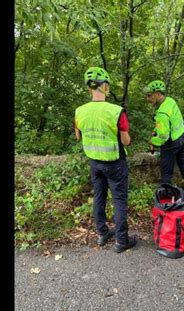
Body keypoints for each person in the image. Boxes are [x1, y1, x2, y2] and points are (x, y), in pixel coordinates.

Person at [74, 66, 137, 253]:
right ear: (106, 87)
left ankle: (102, 234)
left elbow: (78, 137)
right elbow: (126, 141)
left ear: (89, 89)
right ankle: (121, 241)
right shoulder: (116, 111)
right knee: (119, 200)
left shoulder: (79, 111)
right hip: (115, 163)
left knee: (99, 198)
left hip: (94, 163)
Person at [144, 80, 184, 202]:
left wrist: (152, 141)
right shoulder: (170, 101)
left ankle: (167, 198)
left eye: (149, 95)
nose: (147, 98)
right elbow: (170, 122)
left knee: (166, 173)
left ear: (158, 94)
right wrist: (157, 129)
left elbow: (163, 137)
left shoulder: (161, 113)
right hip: (182, 138)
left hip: (171, 144)